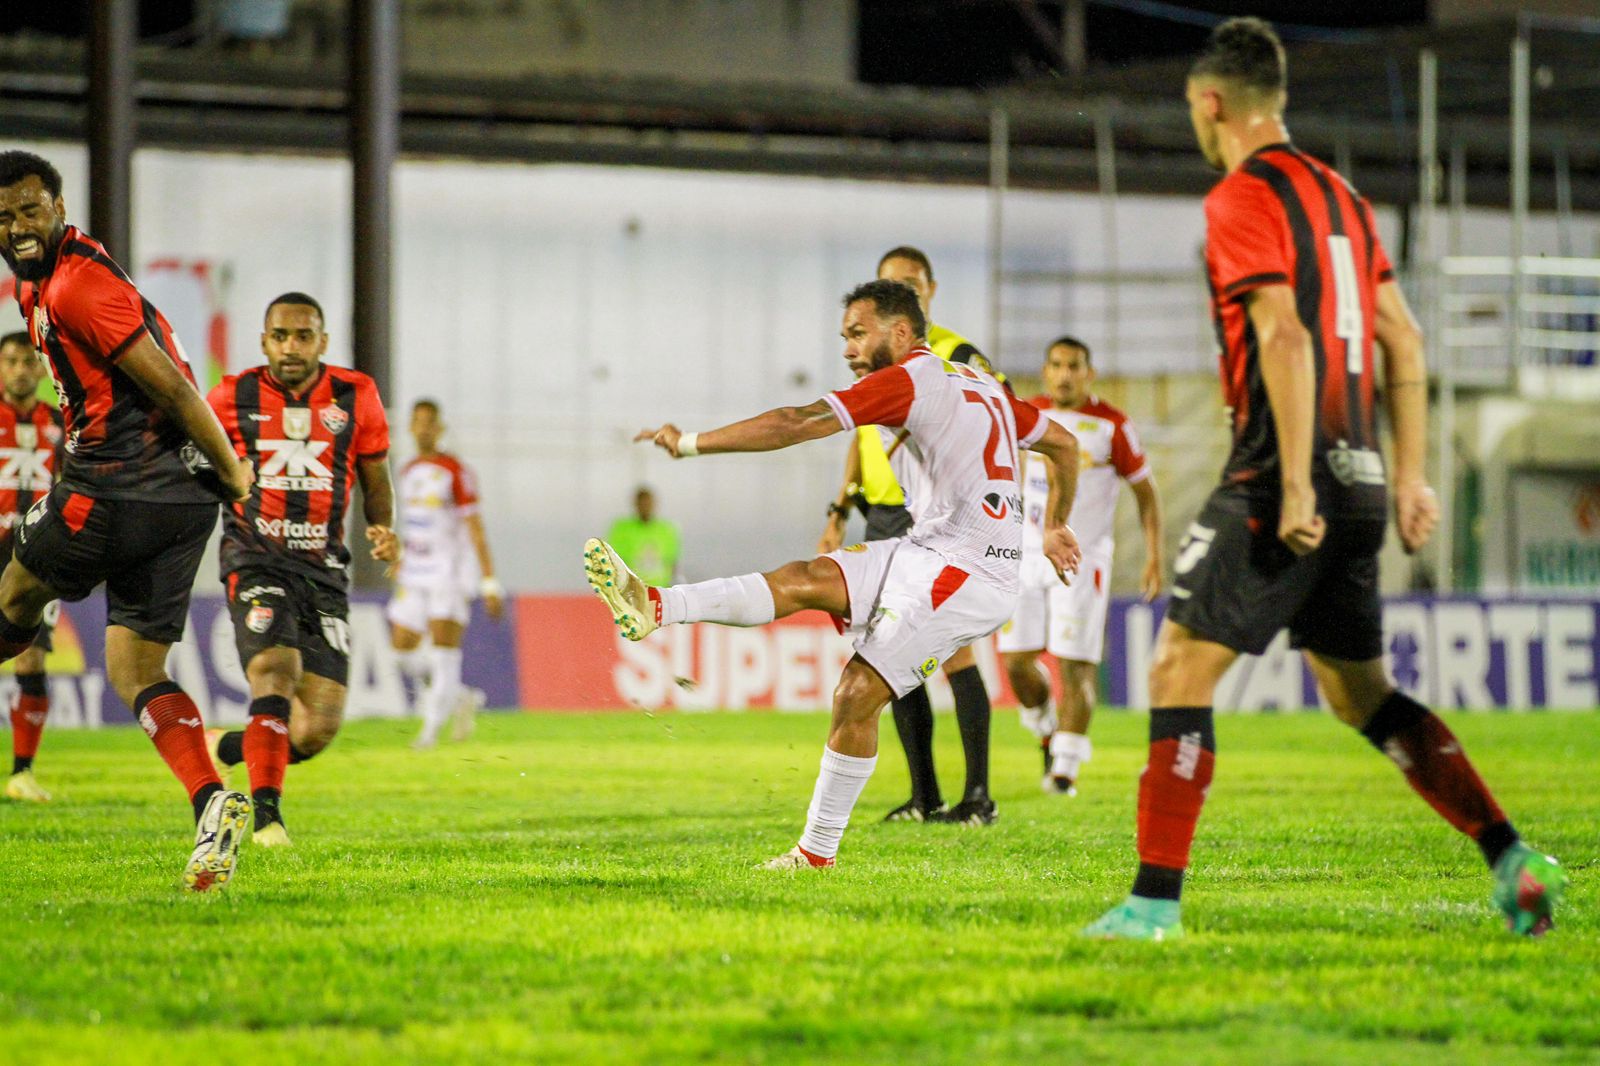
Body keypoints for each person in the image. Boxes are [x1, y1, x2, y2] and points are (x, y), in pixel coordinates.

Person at [1083, 18, 1565, 941]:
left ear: (1210, 104)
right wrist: (1412, 479)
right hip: (1365, 478)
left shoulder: (1237, 198)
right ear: (1283, 100)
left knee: (1180, 666)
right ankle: (1511, 857)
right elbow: (1405, 341)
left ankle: (1152, 906)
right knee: (1359, 695)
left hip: (1281, 475)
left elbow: (1285, 335)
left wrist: (1294, 484)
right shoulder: (1343, 197)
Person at [586, 279, 1082, 869]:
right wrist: (1054, 524)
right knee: (804, 577)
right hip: (927, 549)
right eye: (843, 336)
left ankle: (815, 854)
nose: (847, 349)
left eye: (856, 333)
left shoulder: (908, 378)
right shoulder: (979, 382)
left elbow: (797, 421)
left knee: (856, 692)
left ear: (900, 333)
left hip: (969, 570)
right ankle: (655, 605)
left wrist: (691, 442)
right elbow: (1066, 445)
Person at [0, 150, 255, 891]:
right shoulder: (48, 278)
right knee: (135, 670)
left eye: (30, 210)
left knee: (14, 592)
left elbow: (175, 386)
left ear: (59, 208)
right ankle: (210, 804)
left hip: (112, 488)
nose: (18, 227)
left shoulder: (77, 286)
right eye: (5, 216)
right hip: (178, 507)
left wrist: (234, 471)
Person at [817, 246, 1002, 825]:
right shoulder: (874, 353)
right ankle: (925, 796)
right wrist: (839, 507)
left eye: (913, 284)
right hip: (882, 511)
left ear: (930, 291)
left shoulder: (952, 352)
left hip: (940, 513)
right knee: (884, 652)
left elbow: (999, 412)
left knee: (952, 654)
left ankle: (978, 796)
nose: (904, 289)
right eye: (892, 282)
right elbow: (858, 433)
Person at [205, 292, 398, 845]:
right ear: (263, 340)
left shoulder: (356, 395)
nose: (291, 347)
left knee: (316, 729)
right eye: (280, 336)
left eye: (303, 335)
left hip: (323, 567)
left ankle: (224, 747)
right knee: (275, 670)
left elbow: (375, 473)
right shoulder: (230, 396)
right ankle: (266, 818)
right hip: (254, 553)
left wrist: (381, 527)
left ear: (323, 341)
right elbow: (193, 458)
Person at [1000, 336, 1163, 794]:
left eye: (1074, 365)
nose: (1065, 373)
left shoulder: (1112, 425)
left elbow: (1146, 495)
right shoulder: (1028, 415)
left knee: (1075, 664)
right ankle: (1045, 727)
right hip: (1026, 554)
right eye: (1056, 364)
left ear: (1089, 373)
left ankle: (1064, 771)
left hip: (1082, 556)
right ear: (1046, 370)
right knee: (1015, 662)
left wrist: (1153, 556)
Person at [387, 398, 503, 749]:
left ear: (440, 428)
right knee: (402, 651)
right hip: (415, 572)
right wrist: (402, 556)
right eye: (417, 421)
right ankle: (459, 695)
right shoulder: (407, 471)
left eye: (429, 422)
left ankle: (429, 733)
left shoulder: (456, 471)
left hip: (448, 574)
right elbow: (415, 524)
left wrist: (489, 581)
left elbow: (475, 527)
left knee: (442, 653)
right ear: (410, 427)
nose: (423, 428)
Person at [0, 332, 62, 802]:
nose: (21, 369)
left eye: (28, 361)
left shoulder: (61, 424)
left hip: (36, 554)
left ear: (41, 370)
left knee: (32, 654)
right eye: (11, 361)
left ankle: (22, 772)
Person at [606, 486, 679, 587]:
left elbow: (672, 562)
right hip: (632, 590)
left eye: (648, 503)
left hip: (660, 590)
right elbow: (615, 561)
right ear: (635, 504)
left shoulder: (666, 529)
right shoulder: (621, 529)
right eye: (642, 503)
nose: (645, 507)